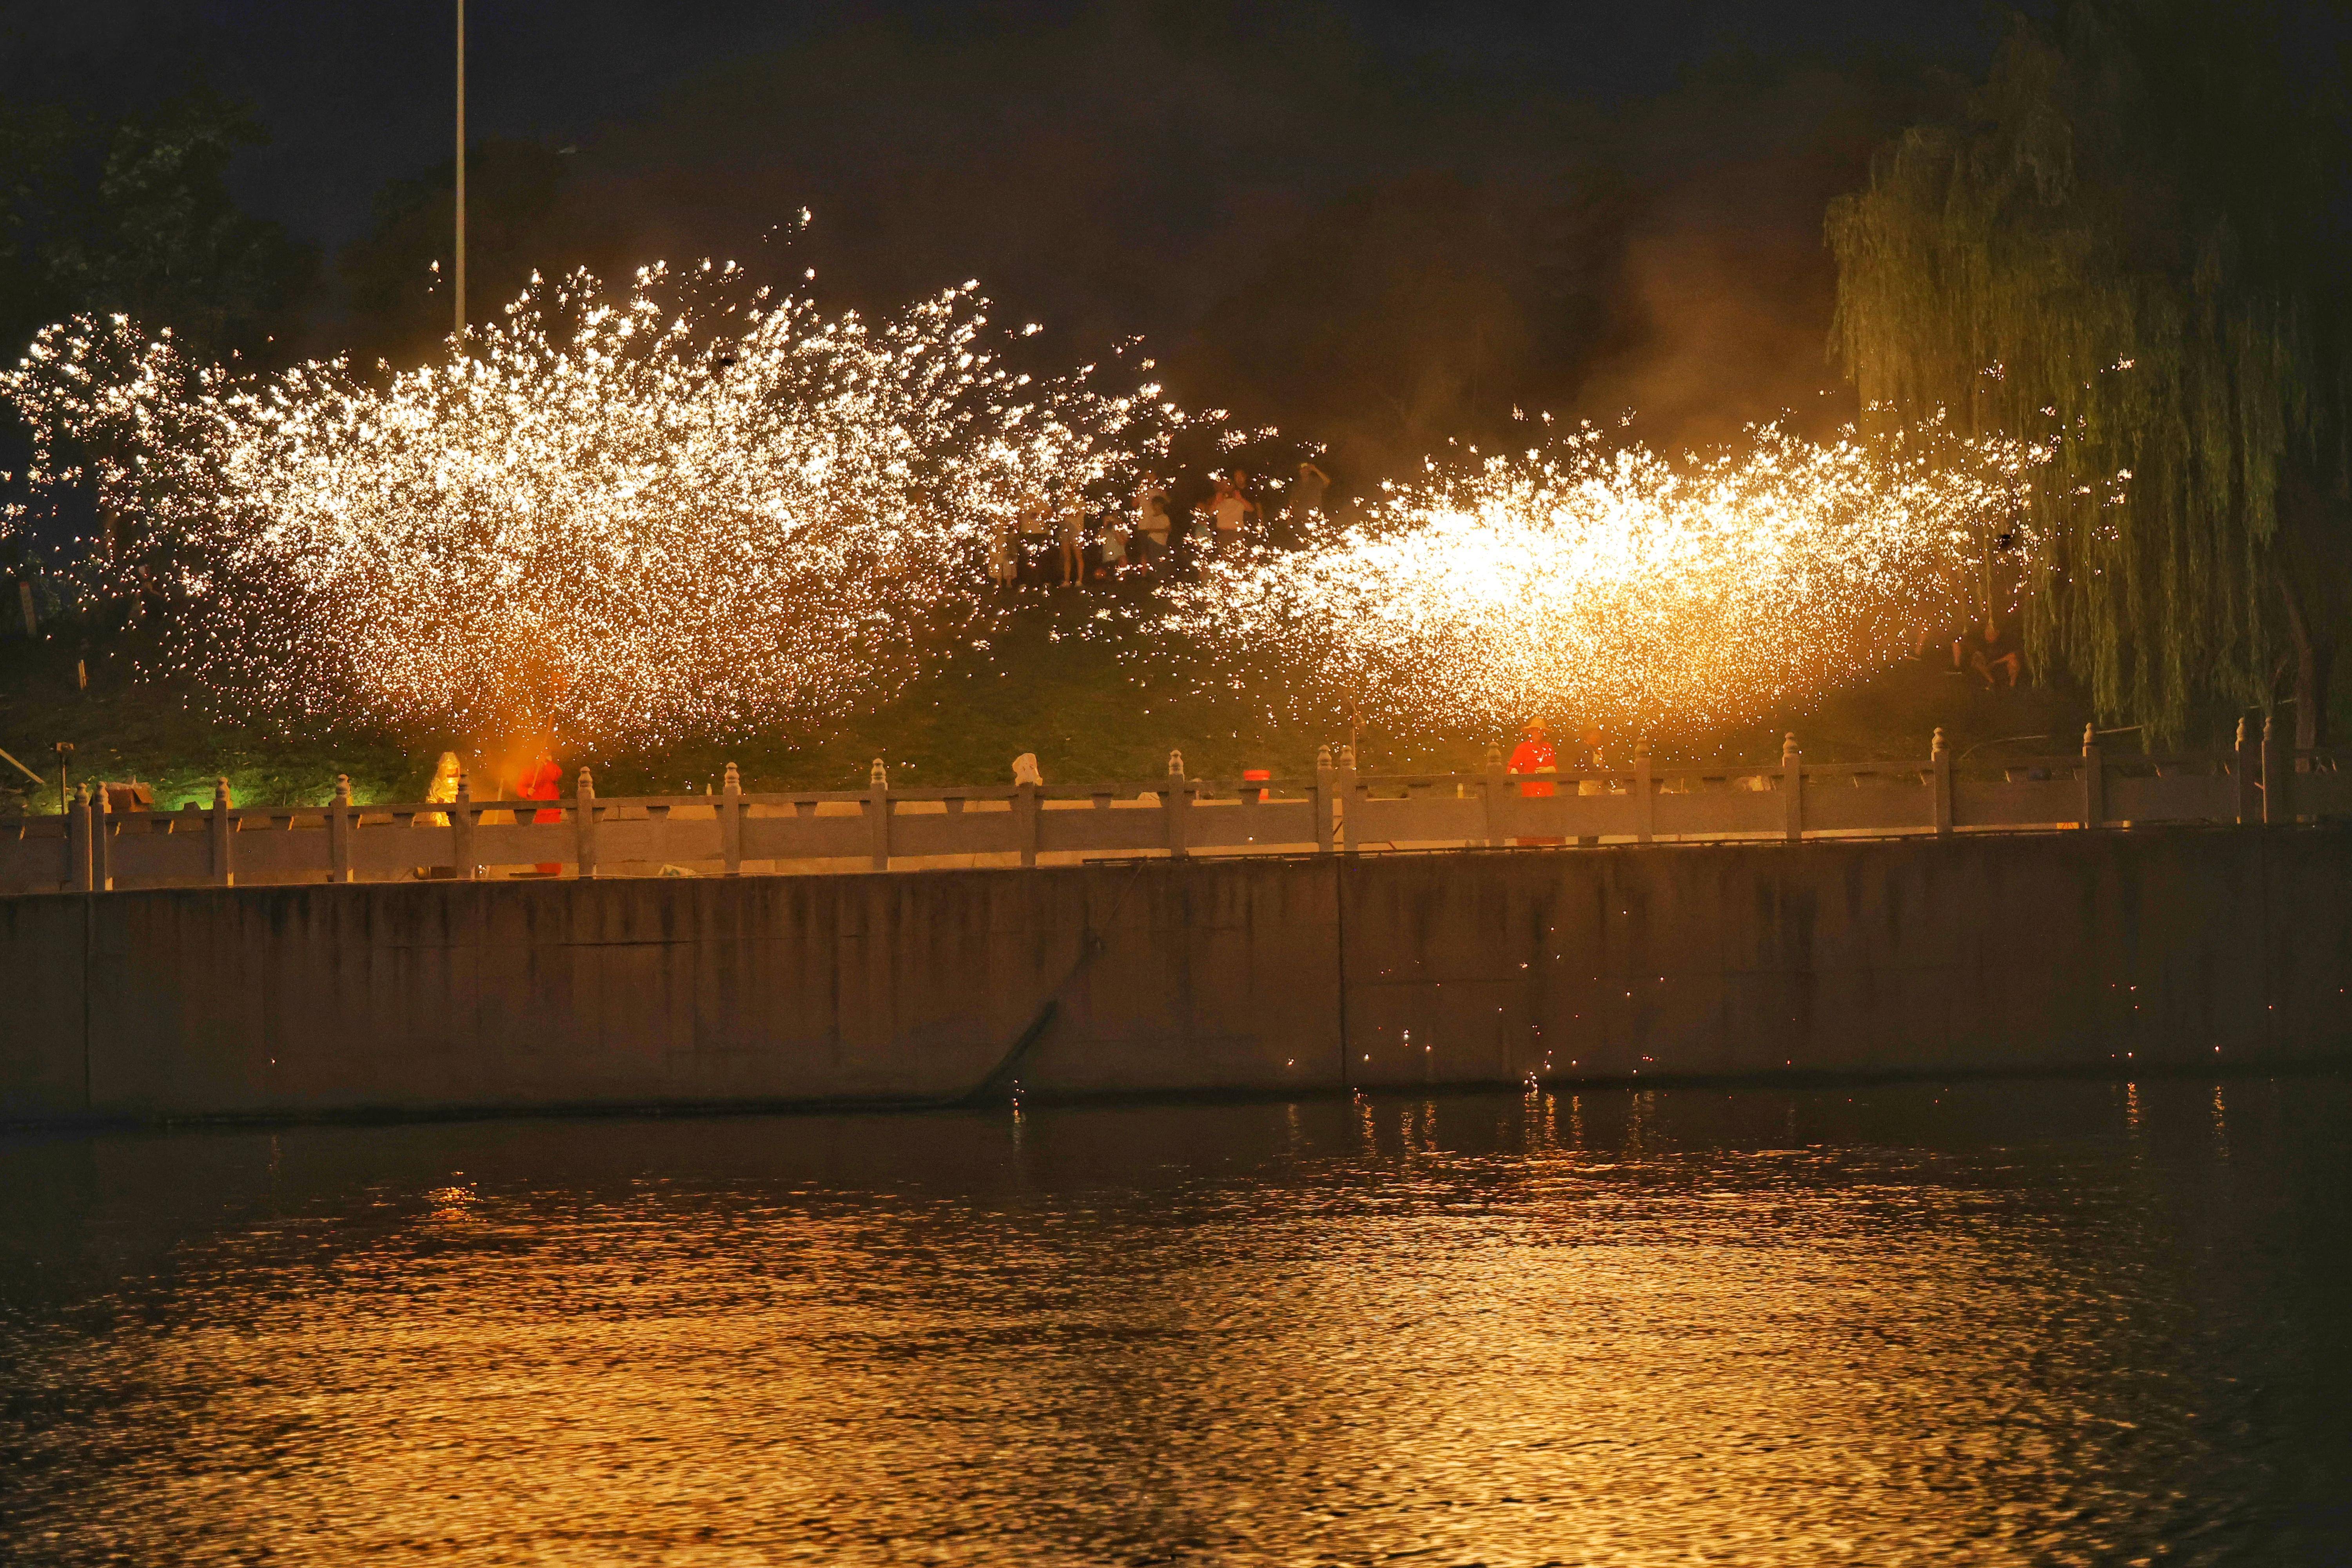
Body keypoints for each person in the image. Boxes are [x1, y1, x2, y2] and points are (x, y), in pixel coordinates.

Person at [1506, 719, 1564, 846]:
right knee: (1531, 826)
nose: (1538, 733)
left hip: (1547, 793)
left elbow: (1555, 768)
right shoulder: (1523, 748)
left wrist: (1549, 770)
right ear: (1530, 732)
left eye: (1540, 730)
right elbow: (1512, 768)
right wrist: (1515, 772)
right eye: (1535, 730)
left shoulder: (1548, 747)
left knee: (1547, 825)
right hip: (1529, 793)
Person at [1206, 470, 1258, 556]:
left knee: (1238, 558)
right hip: (1222, 533)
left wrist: (1240, 499)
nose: (1226, 487)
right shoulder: (1218, 499)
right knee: (1225, 559)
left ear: (1233, 485)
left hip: (1237, 533)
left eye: (1228, 484)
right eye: (1223, 484)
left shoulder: (1239, 498)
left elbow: (1251, 509)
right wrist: (1216, 502)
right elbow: (1209, 514)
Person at [1279, 460, 1329, 550]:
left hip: (1314, 517)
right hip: (1299, 518)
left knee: (1315, 542)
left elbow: (1327, 482)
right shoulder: (1297, 485)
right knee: (1299, 542)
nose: (1304, 471)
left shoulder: (1316, 481)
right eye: (1302, 469)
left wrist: (1316, 470)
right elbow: (1292, 503)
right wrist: (1290, 519)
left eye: (1306, 469)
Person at [1963, 615, 2023, 688]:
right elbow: (1979, 655)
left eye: (1990, 633)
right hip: (1988, 666)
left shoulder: (2004, 641)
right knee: (1977, 661)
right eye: (1987, 633)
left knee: (2014, 663)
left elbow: (2013, 655)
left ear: (1997, 633)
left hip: (2002, 665)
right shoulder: (1984, 644)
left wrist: (1996, 662)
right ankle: (1992, 682)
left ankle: (2012, 686)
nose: (1988, 636)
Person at [1134, 475, 1171, 565]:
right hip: (1144, 525)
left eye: (1152, 475)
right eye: (1147, 475)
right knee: (1144, 552)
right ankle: (1145, 576)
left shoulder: (1158, 490)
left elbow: (1168, 501)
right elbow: (1134, 504)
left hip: (1157, 526)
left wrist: (1161, 492)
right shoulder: (1141, 490)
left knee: (1157, 553)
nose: (1150, 478)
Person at [1057, 492, 1087, 587]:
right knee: (1067, 556)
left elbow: (1079, 514)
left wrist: (1069, 515)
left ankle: (1080, 580)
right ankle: (1067, 580)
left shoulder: (1079, 500)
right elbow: (1059, 514)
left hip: (1076, 529)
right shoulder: (1062, 500)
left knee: (1078, 555)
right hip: (1065, 528)